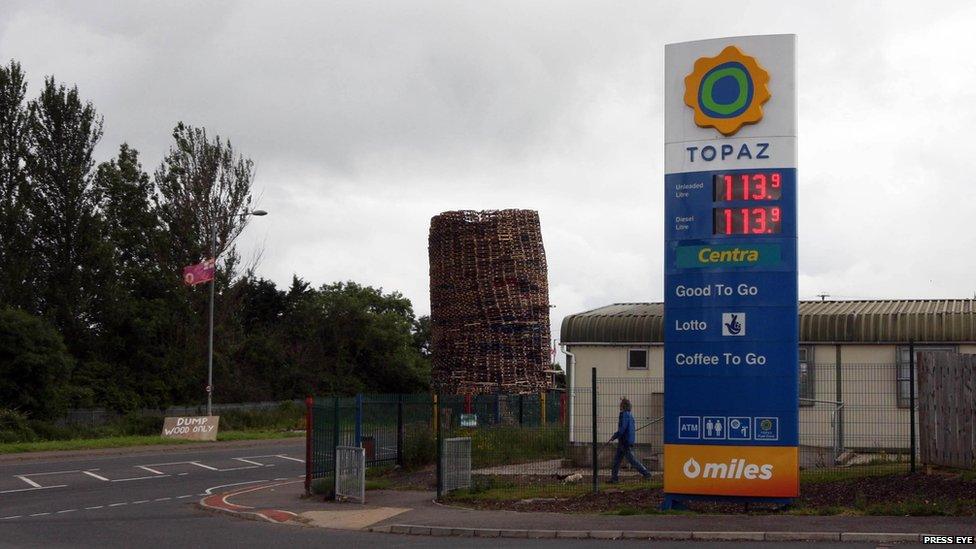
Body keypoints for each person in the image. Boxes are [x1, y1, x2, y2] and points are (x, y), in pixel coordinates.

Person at [608, 397, 651, 483]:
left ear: (623, 406)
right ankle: (614, 478)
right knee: (617, 461)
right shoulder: (630, 415)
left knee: (632, 461)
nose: (619, 406)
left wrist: (614, 436)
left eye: (620, 404)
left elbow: (622, 429)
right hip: (626, 441)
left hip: (624, 442)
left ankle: (647, 474)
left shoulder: (624, 415)